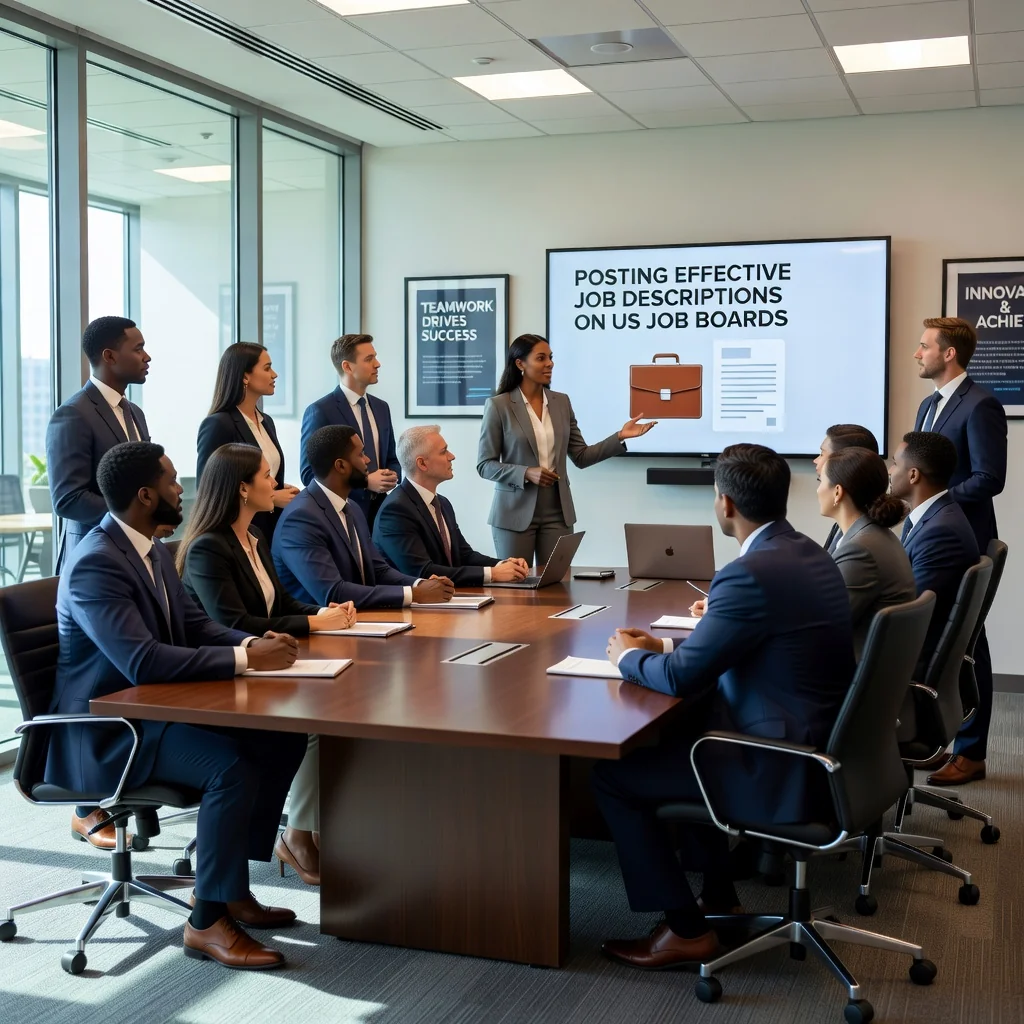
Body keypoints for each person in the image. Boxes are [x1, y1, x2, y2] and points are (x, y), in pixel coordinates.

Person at [592, 444, 854, 969]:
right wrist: (663, 645)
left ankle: (686, 931)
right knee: (687, 736)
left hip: (778, 763)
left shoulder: (750, 571)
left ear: (726, 504)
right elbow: (747, 642)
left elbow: (682, 678)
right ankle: (718, 895)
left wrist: (627, 659)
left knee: (613, 776)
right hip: (821, 747)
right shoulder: (807, 552)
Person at [46, 442, 307, 970]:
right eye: (170, 480)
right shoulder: (96, 563)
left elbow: (194, 625)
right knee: (230, 767)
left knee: (281, 735)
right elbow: (141, 660)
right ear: (146, 496)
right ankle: (206, 921)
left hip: (151, 712)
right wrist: (243, 658)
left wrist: (251, 646)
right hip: (107, 732)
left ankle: (230, 890)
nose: (181, 488)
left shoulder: (154, 550)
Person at [177, 444, 359, 885]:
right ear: (242, 489)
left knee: (343, 706)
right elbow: (233, 623)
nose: (275, 483)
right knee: (315, 725)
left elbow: (281, 604)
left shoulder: (254, 536)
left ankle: (316, 827)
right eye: (265, 476)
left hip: (260, 665)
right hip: (222, 676)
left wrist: (324, 613)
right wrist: (314, 622)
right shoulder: (207, 548)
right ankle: (296, 834)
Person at [912, 318, 1006, 787]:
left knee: (967, 641)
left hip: (962, 535)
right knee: (942, 639)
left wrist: (938, 501)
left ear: (949, 353)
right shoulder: (928, 405)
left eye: (924, 346)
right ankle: (937, 740)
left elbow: (990, 478)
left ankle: (972, 752)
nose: (917, 353)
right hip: (927, 533)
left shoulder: (981, 403)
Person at [477, 334, 656, 567]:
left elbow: (581, 456)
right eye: (541, 358)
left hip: (557, 512)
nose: (549, 363)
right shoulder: (499, 405)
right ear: (520, 363)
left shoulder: (561, 402)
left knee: (556, 582)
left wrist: (619, 437)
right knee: (516, 582)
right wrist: (526, 472)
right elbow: (485, 465)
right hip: (513, 513)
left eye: (550, 358)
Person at [275, 425, 454, 611]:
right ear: (341, 466)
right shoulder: (301, 518)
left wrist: (421, 584)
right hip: (322, 624)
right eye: (361, 454)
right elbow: (332, 592)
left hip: (360, 618)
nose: (368, 460)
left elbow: (378, 570)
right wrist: (414, 594)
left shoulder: (352, 507)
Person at [889, 432, 980, 773]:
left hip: (913, 672)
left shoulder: (940, 530)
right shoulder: (934, 516)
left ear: (913, 475)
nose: (890, 471)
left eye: (895, 464)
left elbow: (910, 615)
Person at [46, 316, 151, 571]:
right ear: (109, 356)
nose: (147, 357)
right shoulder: (73, 414)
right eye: (138, 349)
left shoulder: (135, 413)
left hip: (136, 556)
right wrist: (137, 518)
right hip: (93, 559)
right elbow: (69, 499)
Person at [373, 425, 530, 586]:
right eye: (443, 452)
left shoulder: (442, 503)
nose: (452, 456)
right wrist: (493, 574)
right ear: (422, 464)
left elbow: (463, 555)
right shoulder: (396, 510)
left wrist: (503, 565)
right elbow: (423, 572)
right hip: (411, 600)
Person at [816, 446, 916, 659]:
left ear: (837, 492)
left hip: (852, 668)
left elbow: (823, 627)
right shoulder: (873, 535)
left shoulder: (860, 549)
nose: (818, 490)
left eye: (820, 482)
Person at [196, 343, 299, 543]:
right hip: (235, 534)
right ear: (245, 377)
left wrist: (281, 488)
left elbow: (260, 475)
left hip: (270, 531)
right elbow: (210, 489)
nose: (275, 375)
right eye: (267, 368)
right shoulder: (219, 424)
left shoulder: (266, 421)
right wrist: (273, 497)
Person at [298, 334, 400, 529]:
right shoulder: (320, 410)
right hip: (342, 514)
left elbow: (391, 458)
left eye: (375, 357)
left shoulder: (381, 408)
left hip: (382, 513)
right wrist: (365, 482)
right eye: (369, 359)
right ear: (347, 366)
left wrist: (391, 476)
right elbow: (309, 474)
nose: (377, 364)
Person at [813, 423, 880, 554]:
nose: (815, 460)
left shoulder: (859, 544)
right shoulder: (846, 527)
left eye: (822, 454)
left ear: (844, 460)